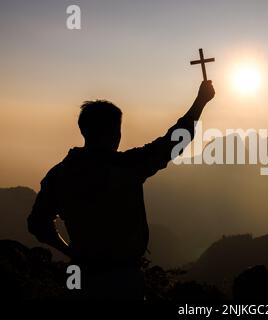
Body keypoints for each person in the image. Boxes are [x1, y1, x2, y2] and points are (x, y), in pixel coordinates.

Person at [27, 81, 215, 299]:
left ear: (84, 130)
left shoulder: (59, 174)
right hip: (122, 278)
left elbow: (37, 223)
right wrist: (200, 102)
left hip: (77, 272)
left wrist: (70, 251)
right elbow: (172, 143)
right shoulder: (126, 167)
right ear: (114, 133)